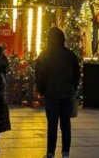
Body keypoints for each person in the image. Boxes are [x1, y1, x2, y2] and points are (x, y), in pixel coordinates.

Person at [35, 28, 81, 158]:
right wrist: (72, 88)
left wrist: (44, 90)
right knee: (66, 124)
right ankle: (65, 152)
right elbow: (76, 74)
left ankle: (50, 152)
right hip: (66, 93)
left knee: (52, 125)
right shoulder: (70, 55)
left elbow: (40, 75)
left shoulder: (45, 55)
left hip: (51, 93)